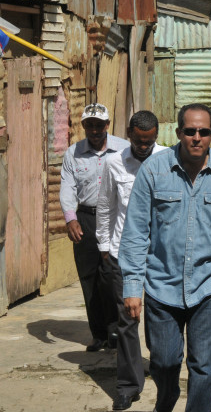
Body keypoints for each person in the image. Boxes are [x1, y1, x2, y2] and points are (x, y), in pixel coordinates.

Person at [119, 104, 211, 412]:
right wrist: (132, 286)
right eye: (190, 131)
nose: (197, 137)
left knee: (204, 367)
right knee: (164, 361)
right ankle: (166, 396)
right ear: (179, 132)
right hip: (161, 284)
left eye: (203, 132)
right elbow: (136, 230)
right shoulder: (154, 170)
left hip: (209, 284)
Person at [96, 110, 165, 410]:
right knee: (127, 320)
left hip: (160, 256)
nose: (144, 147)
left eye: (149, 142)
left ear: (156, 137)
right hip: (123, 254)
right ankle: (127, 385)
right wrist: (104, 246)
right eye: (138, 142)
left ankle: (163, 372)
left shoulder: (167, 160)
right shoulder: (114, 163)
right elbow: (105, 206)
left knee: (160, 318)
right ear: (128, 135)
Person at [60, 103, 128, 352]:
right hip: (86, 218)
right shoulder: (73, 153)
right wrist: (71, 218)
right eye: (90, 125)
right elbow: (67, 187)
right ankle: (98, 334)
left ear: (107, 125)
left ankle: (116, 330)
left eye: (99, 125)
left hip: (115, 219)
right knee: (89, 277)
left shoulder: (124, 149)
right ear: (83, 126)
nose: (95, 130)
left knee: (113, 276)